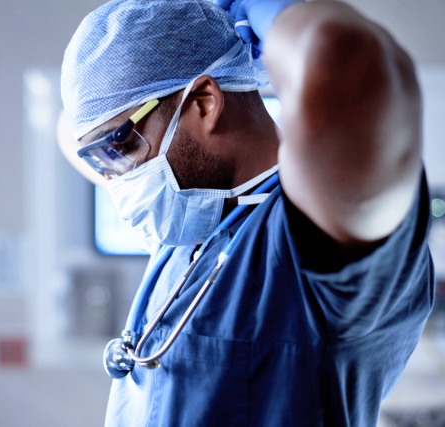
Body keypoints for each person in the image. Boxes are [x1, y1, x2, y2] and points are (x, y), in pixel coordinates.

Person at [60, 0, 434, 425]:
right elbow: (74, 123)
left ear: (204, 103)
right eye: (100, 163)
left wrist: (279, 20)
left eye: (120, 148)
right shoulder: (193, 223)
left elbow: (350, 65)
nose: (117, 183)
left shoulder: (313, 241)